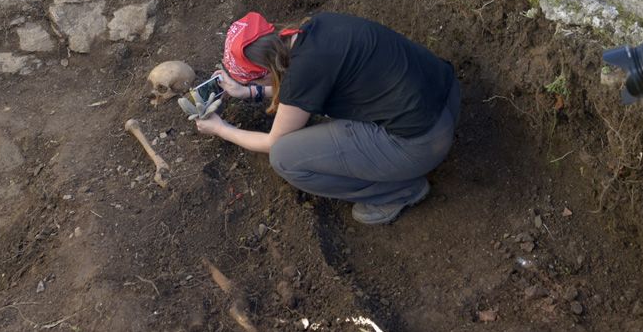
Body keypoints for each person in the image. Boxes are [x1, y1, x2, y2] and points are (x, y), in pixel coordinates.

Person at [193, 11, 460, 225]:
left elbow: (273, 142)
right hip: (445, 98)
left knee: (285, 157)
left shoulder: (303, 74)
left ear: (265, 69)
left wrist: (220, 128)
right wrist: (250, 91)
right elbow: (303, 88)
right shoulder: (315, 27)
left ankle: (399, 192)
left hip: (421, 143)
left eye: (258, 78)